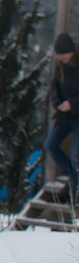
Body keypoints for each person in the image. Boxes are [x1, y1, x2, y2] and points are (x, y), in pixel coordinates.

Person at [48, 34, 79, 200]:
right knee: (51, 145)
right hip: (65, 114)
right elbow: (54, 85)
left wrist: (72, 103)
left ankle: (74, 192)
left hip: (77, 112)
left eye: (64, 54)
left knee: (76, 155)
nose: (62, 57)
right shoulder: (59, 65)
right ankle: (73, 177)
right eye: (59, 54)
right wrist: (57, 102)